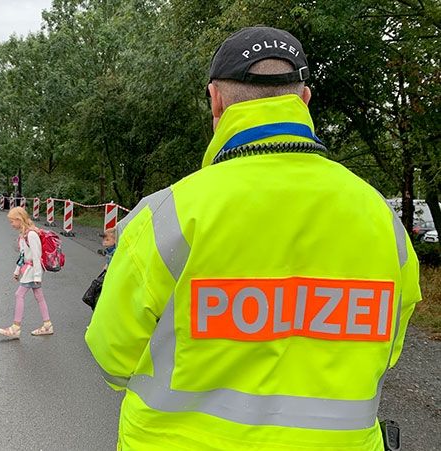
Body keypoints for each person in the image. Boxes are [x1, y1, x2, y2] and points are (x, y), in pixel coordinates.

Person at [84, 26, 422, 451]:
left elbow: (110, 358)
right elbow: (388, 351)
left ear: (216, 99)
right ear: (304, 100)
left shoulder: (169, 214)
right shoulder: (379, 217)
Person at [0, 207, 53, 338]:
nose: (11, 224)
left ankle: (16, 327)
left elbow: (36, 255)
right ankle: (47, 325)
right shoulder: (24, 235)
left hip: (32, 270)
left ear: (19, 219)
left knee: (19, 294)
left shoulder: (31, 235)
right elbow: (23, 255)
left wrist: (37, 276)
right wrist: (17, 271)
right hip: (29, 270)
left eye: (12, 221)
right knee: (39, 296)